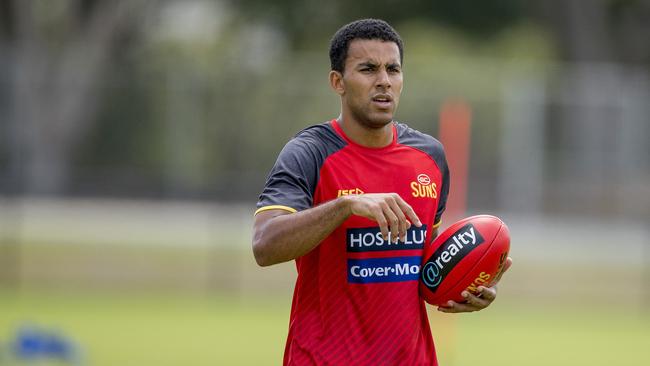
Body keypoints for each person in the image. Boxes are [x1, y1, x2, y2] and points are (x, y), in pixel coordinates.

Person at [252, 18, 512, 365]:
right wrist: (345, 206)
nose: (384, 81)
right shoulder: (310, 153)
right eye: (368, 69)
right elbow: (264, 246)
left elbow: (423, 268)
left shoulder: (430, 158)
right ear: (337, 82)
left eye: (393, 69)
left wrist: (467, 284)